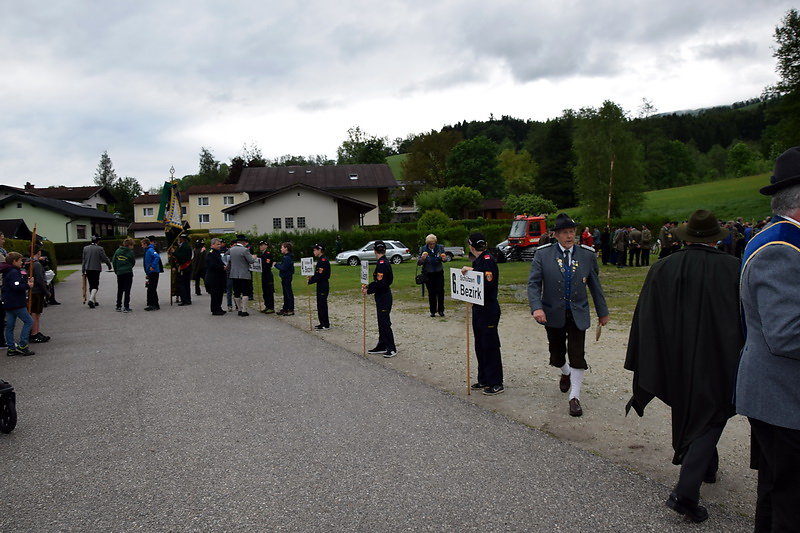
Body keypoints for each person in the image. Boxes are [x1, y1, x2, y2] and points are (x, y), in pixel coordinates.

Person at [624, 209, 743, 523]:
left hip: (675, 355)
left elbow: (646, 316)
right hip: (718, 357)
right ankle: (685, 492)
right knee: (713, 415)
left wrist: (652, 355)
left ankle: (708, 467)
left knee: (688, 406)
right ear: (716, 240)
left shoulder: (663, 267)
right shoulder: (734, 268)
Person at [736, 146, 800, 531]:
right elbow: (787, 335)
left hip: (778, 395)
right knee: (789, 504)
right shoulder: (782, 248)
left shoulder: (781, 240)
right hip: (783, 399)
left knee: (777, 495)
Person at [527, 213, 609, 417]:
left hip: (578, 312)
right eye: (565, 232)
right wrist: (537, 307)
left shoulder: (587, 255)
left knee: (577, 354)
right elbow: (534, 284)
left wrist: (602, 312)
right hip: (552, 313)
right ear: (555, 235)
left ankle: (575, 397)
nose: (570, 236)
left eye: (572, 232)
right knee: (556, 355)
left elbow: (595, 286)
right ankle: (565, 372)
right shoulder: (543, 254)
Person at [461, 233, 503, 395]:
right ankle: (484, 378)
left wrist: (471, 272)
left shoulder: (487, 260)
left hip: (488, 308)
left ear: (471, 247)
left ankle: (496, 381)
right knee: (480, 344)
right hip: (478, 308)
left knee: (490, 345)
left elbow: (487, 282)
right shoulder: (479, 261)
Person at [364, 240, 396, 357]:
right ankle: (382, 345)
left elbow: (381, 283)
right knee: (381, 322)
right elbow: (379, 281)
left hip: (384, 296)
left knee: (384, 322)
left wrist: (369, 290)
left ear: (374, 250)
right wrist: (369, 286)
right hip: (382, 295)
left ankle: (391, 348)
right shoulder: (382, 262)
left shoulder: (382, 263)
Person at [0, 252, 35, 356]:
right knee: (29, 321)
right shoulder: (14, 272)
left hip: (8, 302)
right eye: (20, 260)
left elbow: (14, 283)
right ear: (14, 261)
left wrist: (24, 282)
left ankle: (11, 348)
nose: (22, 262)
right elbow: (16, 286)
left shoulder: (7, 271)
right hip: (16, 303)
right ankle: (23, 344)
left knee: (10, 326)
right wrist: (28, 286)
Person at [417, 234, 448, 317]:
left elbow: (444, 259)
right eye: (430, 244)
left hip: (438, 272)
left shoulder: (440, 248)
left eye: (433, 243)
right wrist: (422, 258)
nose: (432, 245)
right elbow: (419, 263)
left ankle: (441, 310)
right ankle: (433, 311)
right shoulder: (423, 249)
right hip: (428, 273)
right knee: (431, 292)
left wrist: (444, 258)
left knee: (440, 291)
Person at [228, 234, 257, 317]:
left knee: (236, 292)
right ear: (244, 242)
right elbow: (251, 261)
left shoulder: (231, 249)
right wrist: (254, 257)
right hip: (244, 273)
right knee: (245, 292)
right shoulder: (245, 250)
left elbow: (226, 256)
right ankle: (244, 310)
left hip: (234, 273)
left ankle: (239, 309)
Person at [82, 235, 112, 309]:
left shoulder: (85, 248)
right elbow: (104, 258)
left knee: (91, 284)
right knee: (95, 285)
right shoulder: (100, 249)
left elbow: (83, 260)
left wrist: (83, 269)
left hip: (88, 269)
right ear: (98, 241)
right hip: (96, 269)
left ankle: (94, 301)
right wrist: (109, 265)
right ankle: (91, 300)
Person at [28, 247, 51, 343]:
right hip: (37, 292)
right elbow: (40, 279)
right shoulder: (36, 264)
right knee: (35, 313)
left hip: (34, 291)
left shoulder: (30, 262)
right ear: (38, 252)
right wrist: (46, 292)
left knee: (36, 313)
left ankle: (36, 331)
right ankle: (34, 333)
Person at [307, 243, 331, 330]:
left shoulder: (323, 261)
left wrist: (311, 280)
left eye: (315, 250)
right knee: (320, 304)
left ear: (319, 250)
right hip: (320, 284)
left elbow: (320, 275)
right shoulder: (320, 260)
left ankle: (325, 323)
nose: (314, 251)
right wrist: (312, 277)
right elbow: (317, 274)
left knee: (322, 304)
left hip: (323, 284)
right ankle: (322, 322)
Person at [204, 238, 227, 316]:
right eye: (218, 244)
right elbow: (212, 265)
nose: (219, 246)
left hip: (219, 277)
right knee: (215, 294)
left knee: (219, 293)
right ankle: (215, 309)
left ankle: (219, 308)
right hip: (214, 278)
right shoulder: (211, 253)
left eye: (220, 244)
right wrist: (222, 267)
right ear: (212, 244)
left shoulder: (216, 252)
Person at [112, 238, 136, 313]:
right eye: (132, 245)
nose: (133, 247)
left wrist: (117, 270)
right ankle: (126, 306)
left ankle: (118, 306)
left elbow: (114, 261)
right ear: (129, 245)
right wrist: (129, 267)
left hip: (120, 273)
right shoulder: (130, 252)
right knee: (127, 290)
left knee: (120, 289)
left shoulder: (118, 251)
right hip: (128, 272)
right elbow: (133, 262)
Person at [141, 237, 162, 311]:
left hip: (154, 272)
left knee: (152, 289)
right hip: (151, 272)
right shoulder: (148, 250)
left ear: (145, 244)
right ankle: (152, 304)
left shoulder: (150, 250)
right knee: (151, 288)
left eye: (142, 244)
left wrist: (153, 266)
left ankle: (155, 305)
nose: (141, 246)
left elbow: (157, 257)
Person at [275, 242, 295, 316]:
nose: (281, 249)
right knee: (286, 293)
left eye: (282, 247)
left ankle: (290, 309)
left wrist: (276, 265)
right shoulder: (287, 257)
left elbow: (283, 268)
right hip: (285, 277)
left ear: (286, 248)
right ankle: (285, 308)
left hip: (287, 276)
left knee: (288, 293)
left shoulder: (287, 258)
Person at [172, 233, 192, 306]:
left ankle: (185, 300)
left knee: (182, 284)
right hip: (187, 267)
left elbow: (182, 256)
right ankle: (188, 299)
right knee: (186, 284)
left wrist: (174, 253)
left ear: (182, 239)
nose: (178, 240)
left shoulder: (184, 246)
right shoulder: (185, 245)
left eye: (179, 239)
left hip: (184, 267)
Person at [258, 240, 275, 314]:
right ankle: (267, 306)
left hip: (267, 274)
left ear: (266, 246)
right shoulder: (262, 254)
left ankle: (271, 307)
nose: (260, 247)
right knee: (265, 291)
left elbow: (268, 265)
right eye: (260, 245)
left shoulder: (267, 254)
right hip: (264, 274)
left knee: (269, 291)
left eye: (262, 245)